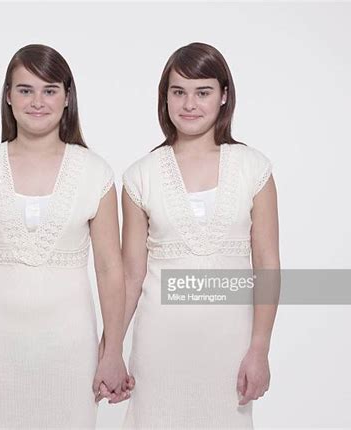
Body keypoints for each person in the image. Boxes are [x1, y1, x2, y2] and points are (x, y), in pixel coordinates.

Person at [0, 44, 130, 429]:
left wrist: (112, 350)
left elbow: (110, 269)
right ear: (8, 96)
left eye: (49, 90)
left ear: (67, 98)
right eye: (25, 89)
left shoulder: (94, 174)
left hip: (71, 351)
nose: (37, 101)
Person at [119, 42, 280, 428]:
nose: (189, 104)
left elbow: (268, 265)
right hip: (160, 347)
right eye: (179, 92)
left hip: (230, 349)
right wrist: (109, 349)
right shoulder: (141, 176)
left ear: (224, 96)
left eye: (202, 92)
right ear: (166, 98)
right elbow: (130, 276)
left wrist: (259, 349)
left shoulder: (253, 169)